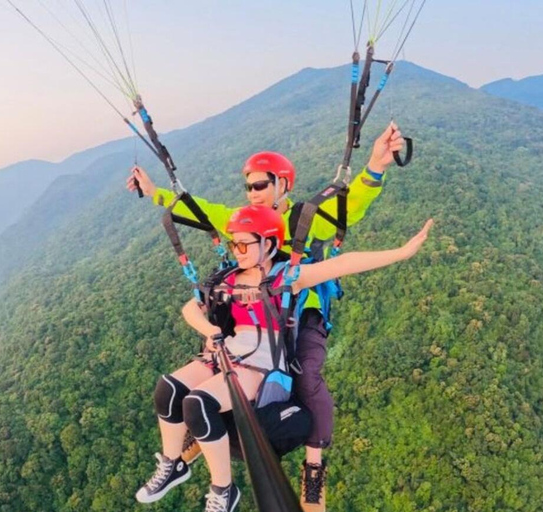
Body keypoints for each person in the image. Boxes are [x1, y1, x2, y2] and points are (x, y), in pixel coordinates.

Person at [128, 123, 405, 510]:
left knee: (306, 374)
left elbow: (351, 204)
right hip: (252, 311)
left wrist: (376, 167)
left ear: (282, 186)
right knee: (205, 364)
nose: (253, 193)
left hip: (298, 306)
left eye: (260, 185)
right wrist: (155, 192)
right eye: (249, 186)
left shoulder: (304, 219)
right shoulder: (242, 220)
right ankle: (192, 437)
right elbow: (204, 213)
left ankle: (314, 463)